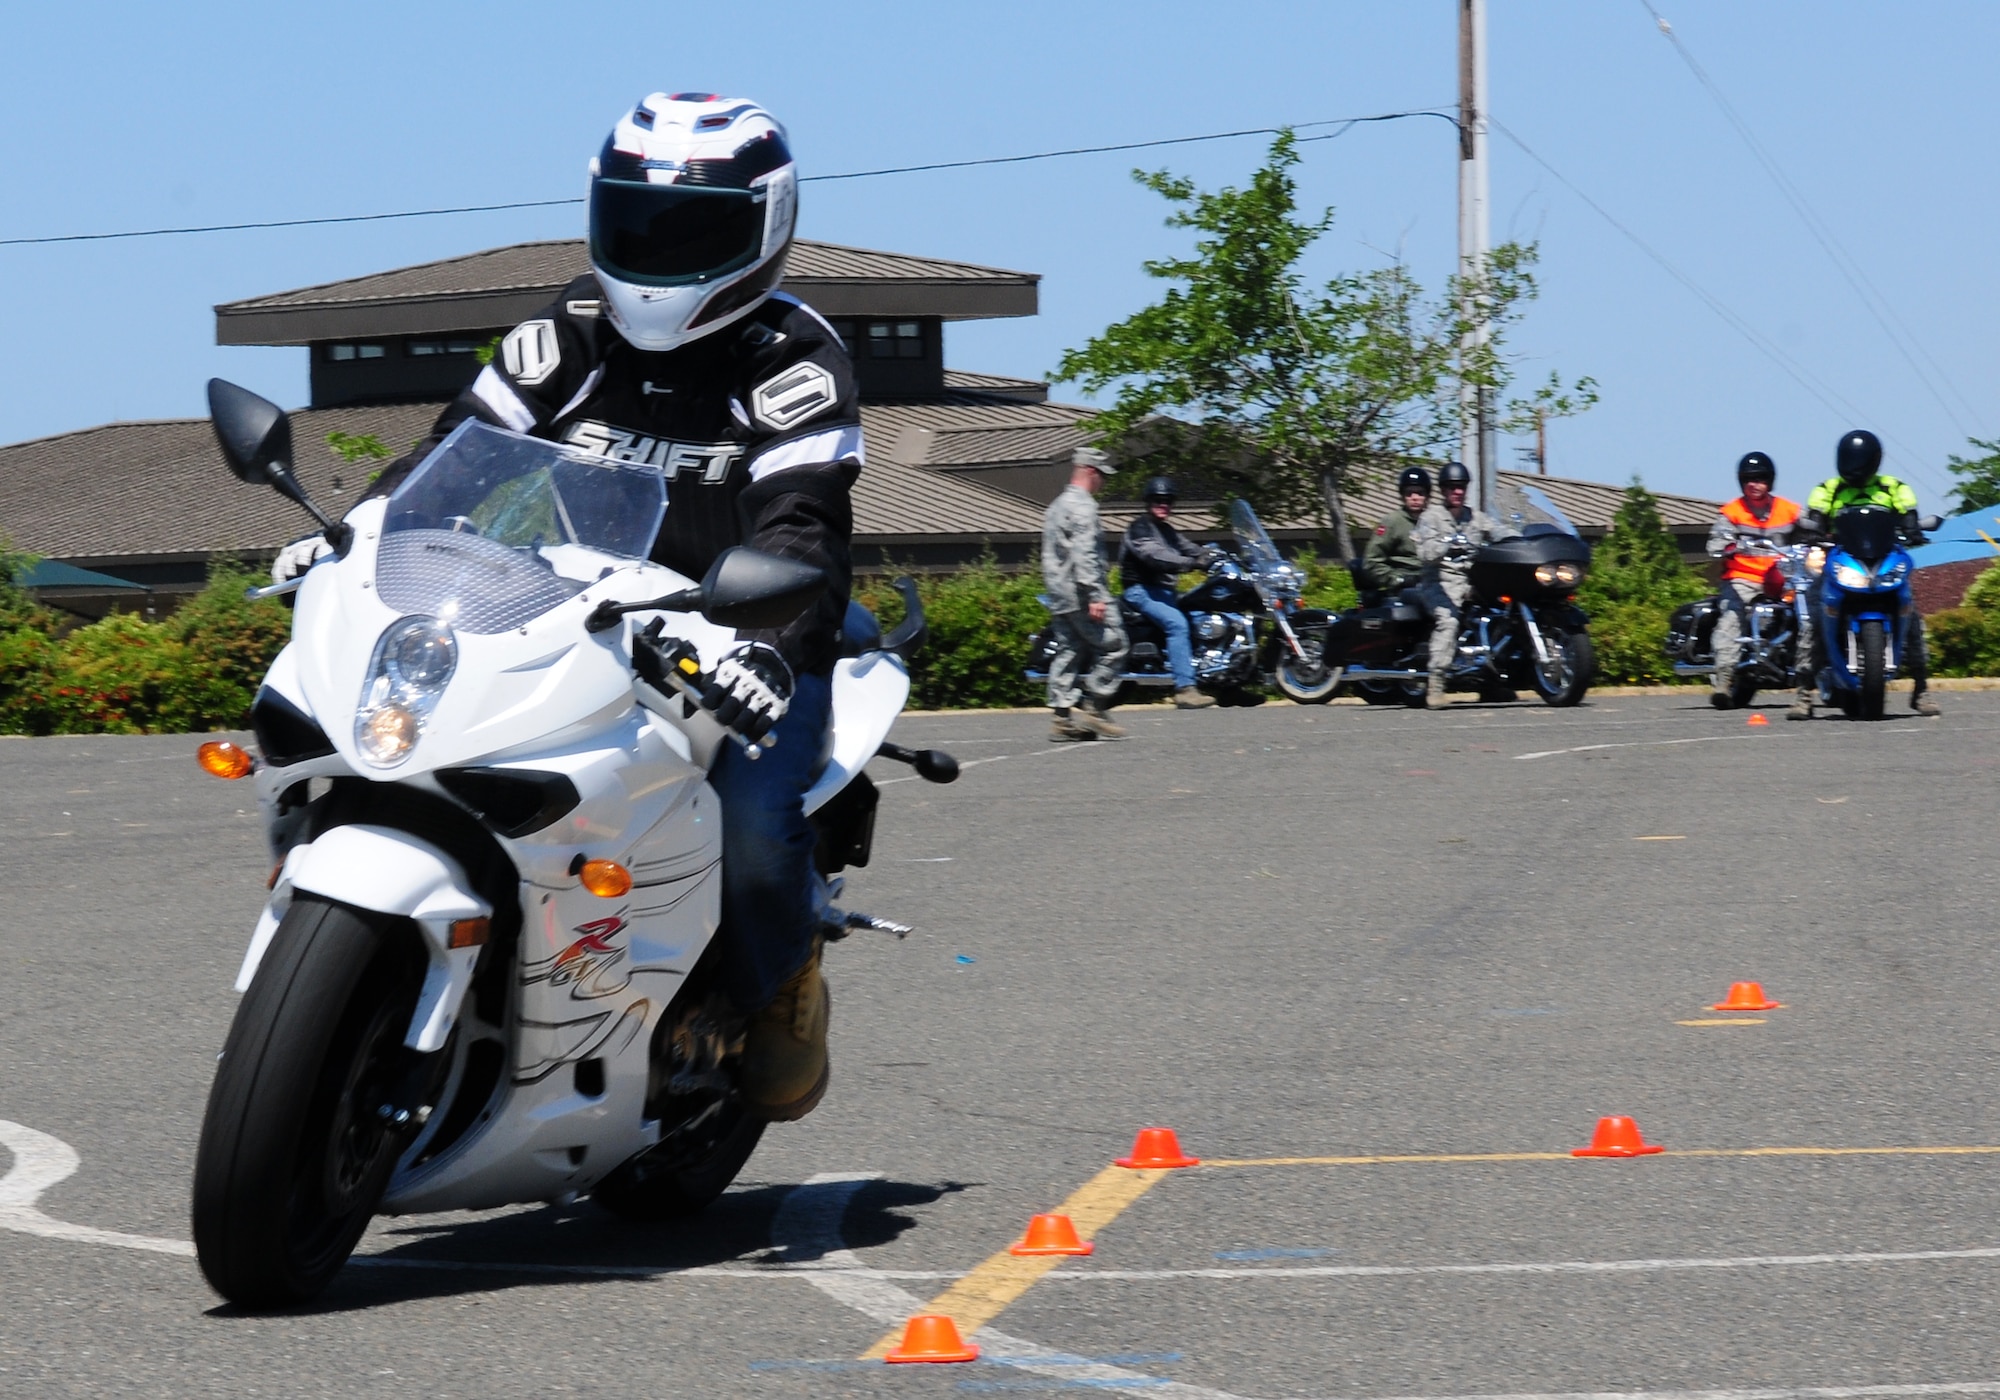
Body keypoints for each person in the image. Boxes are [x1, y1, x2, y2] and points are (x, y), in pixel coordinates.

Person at [318, 94, 855, 1122]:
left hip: (743, 628)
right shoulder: (571, 328)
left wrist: (765, 646)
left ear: (766, 224)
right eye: (638, 222)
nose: (658, 251)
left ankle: (782, 984)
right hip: (571, 603)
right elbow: (450, 454)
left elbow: (801, 523)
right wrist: (357, 533)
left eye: (691, 231)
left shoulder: (792, 356)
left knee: (753, 828)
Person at [1789, 429, 1940, 719]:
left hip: (1883, 559)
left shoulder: (1894, 487)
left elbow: (1909, 514)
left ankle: (1921, 688)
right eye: (1848, 460)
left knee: (1912, 616)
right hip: (1843, 558)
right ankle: (1803, 692)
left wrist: (1914, 528)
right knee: (1815, 616)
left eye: (1858, 460)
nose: (1853, 467)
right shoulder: (1827, 489)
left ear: (1874, 461)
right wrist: (1812, 530)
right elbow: (1816, 518)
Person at [1413, 461, 1517, 708]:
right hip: (1438, 581)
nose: (1457, 492)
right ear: (1443, 490)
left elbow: (1499, 531)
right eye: (1451, 487)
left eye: (1461, 487)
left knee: (1504, 615)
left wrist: (1524, 539)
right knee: (1448, 621)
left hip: (1471, 581)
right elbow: (1425, 552)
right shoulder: (1431, 518)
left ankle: (1492, 683)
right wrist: (1446, 545)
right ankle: (1436, 684)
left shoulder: (1475, 518)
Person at [1042, 447, 1129, 741]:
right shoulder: (1084, 506)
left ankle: (1062, 718)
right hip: (1082, 592)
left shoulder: (1055, 506)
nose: (1103, 482)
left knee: (1069, 650)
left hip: (1060, 595)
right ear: (1091, 471)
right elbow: (1085, 553)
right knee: (1116, 644)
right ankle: (1095, 704)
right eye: (1102, 475)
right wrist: (1095, 594)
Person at [1704, 452, 1800, 709]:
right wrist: (1727, 546)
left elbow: (1812, 531)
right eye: (1748, 479)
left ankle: (1821, 680)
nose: (1753, 484)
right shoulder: (1732, 512)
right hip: (1742, 579)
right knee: (1732, 619)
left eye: (1759, 479)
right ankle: (1723, 681)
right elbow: (1716, 541)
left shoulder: (1790, 510)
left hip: (1783, 578)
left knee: (1815, 611)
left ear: (1770, 481)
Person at [1119, 476, 1215, 710]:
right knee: (1177, 624)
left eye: (1168, 501)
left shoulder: (1167, 530)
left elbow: (1189, 547)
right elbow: (1155, 555)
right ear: (1148, 501)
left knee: (1203, 620)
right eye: (1158, 500)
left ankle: (1229, 685)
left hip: (1164, 591)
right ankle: (1185, 689)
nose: (1163, 505)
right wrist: (1191, 563)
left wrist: (1214, 555)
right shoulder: (1139, 528)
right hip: (1140, 591)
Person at [1361, 466, 1432, 595]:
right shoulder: (1392, 522)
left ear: (1427, 496)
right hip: (1405, 588)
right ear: (1402, 496)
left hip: (1434, 583)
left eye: (1420, 493)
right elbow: (1372, 562)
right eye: (1409, 493)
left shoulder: (1436, 521)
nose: (1415, 498)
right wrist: (1397, 579)